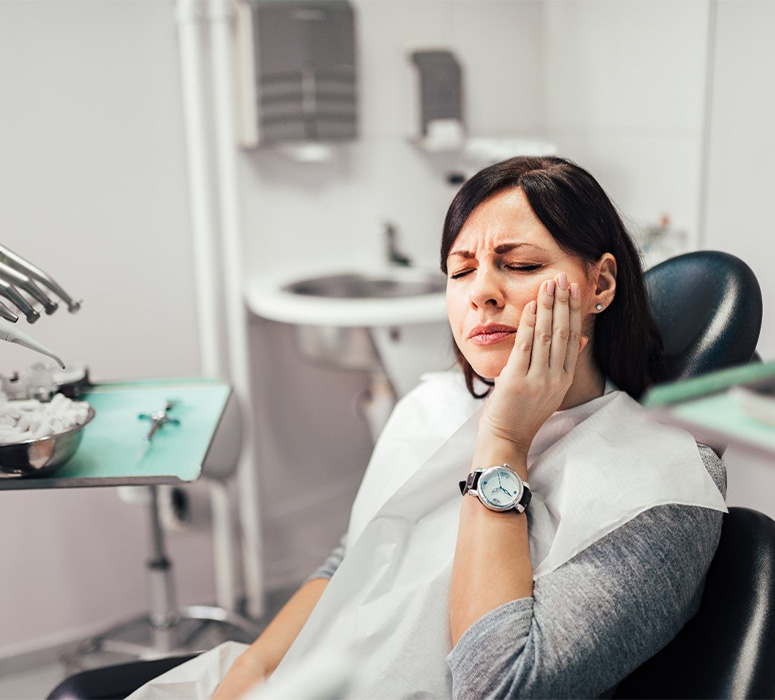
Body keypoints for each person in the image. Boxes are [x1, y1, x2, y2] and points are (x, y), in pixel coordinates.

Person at [213, 156, 726, 699]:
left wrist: (505, 443)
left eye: (522, 265)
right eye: (460, 271)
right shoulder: (431, 406)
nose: (481, 291)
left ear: (599, 283)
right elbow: (357, 557)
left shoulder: (665, 488)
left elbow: (499, 686)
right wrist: (248, 673)